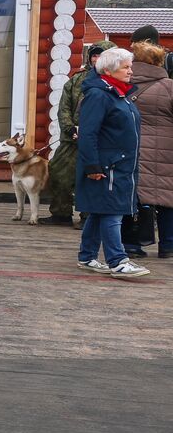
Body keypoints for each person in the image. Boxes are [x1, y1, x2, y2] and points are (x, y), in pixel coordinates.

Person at [74, 47, 148, 278]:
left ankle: (87, 256)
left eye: (130, 66)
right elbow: (87, 133)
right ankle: (118, 260)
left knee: (99, 210)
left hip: (121, 163)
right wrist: (92, 165)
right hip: (108, 165)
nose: (130, 71)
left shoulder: (118, 93)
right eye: (125, 67)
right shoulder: (99, 95)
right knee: (112, 212)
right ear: (108, 70)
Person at [41, 41, 115, 225]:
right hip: (71, 140)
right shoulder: (76, 80)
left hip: (99, 142)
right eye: (94, 55)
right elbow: (64, 108)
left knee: (92, 179)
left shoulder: (116, 82)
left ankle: (88, 218)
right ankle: (60, 214)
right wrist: (70, 128)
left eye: (101, 56)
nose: (96, 59)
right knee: (58, 173)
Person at [129, 41, 173, 258]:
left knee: (135, 196)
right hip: (166, 151)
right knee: (167, 197)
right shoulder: (169, 87)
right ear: (158, 61)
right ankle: (168, 245)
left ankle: (133, 244)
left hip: (131, 147)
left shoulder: (122, 83)